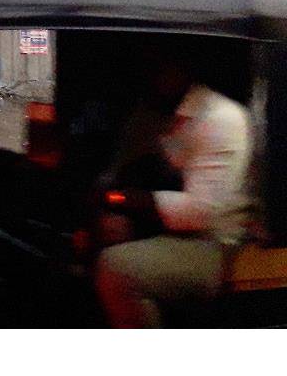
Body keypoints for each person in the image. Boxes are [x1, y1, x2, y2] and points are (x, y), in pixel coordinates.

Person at [95, 48, 256, 328]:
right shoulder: (152, 114)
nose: (150, 77)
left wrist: (125, 200)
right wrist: (110, 203)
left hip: (210, 244)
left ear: (182, 69)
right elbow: (123, 171)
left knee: (115, 269)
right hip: (167, 228)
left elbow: (199, 213)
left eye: (158, 68)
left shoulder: (219, 117)